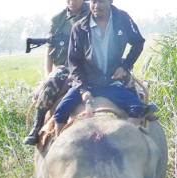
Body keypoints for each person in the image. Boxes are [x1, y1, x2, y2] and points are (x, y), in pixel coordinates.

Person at [53, 0, 156, 128]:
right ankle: (57, 143)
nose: (96, 6)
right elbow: (74, 62)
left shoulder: (122, 19)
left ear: (110, 2)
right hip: (87, 83)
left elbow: (138, 42)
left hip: (110, 83)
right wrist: (83, 89)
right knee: (60, 111)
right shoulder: (79, 28)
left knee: (137, 107)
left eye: (101, 1)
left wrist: (124, 66)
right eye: (93, 2)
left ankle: (129, 137)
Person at [23, 0, 90, 145]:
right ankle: (37, 127)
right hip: (65, 67)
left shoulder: (93, 11)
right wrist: (47, 77)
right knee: (51, 82)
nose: (72, 1)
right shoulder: (58, 19)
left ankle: (139, 111)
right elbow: (50, 50)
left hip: (90, 64)